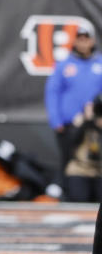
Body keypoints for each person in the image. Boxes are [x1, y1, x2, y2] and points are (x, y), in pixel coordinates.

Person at [45, 24, 102, 186]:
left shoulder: (100, 63)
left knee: (95, 161)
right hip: (70, 124)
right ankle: (65, 191)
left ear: (92, 41)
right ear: (75, 41)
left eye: (86, 39)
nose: (83, 43)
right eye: (80, 39)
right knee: (68, 159)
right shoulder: (64, 65)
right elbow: (52, 92)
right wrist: (56, 120)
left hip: (94, 125)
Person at [62, 95, 102, 202]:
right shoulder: (83, 123)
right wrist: (85, 121)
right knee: (79, 198)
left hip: (99, 171)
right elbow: (70, 142)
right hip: (80, 169)